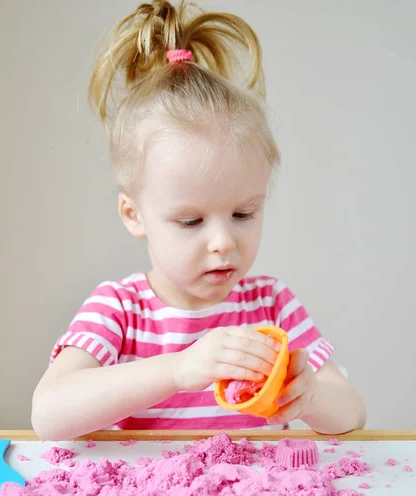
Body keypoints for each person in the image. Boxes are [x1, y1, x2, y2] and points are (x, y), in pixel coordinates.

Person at [32, 0, 366, 441]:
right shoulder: (120, 309)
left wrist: (311, 398)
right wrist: (178, 369)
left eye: (243, 213)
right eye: (191, 221)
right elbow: (50, 414)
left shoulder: (272, 306)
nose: (223, 241)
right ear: (134, 215)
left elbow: (353, 414)